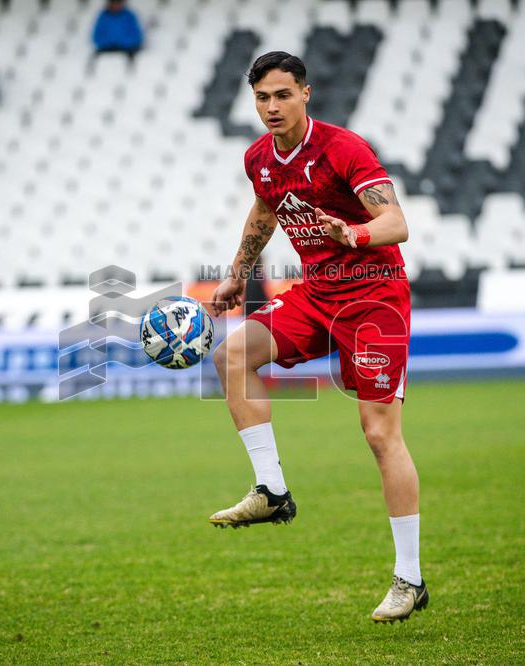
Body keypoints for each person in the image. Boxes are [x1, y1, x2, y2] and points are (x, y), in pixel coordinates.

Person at [205, 52, 424, 624]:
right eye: (262, 98)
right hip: (317, 295)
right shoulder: (259, 158)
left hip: (374, 298)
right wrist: (237, 273)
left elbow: (397, 224)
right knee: (232, 355)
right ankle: (272, 491)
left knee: (380, 435)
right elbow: (265, 211)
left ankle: (409, 579)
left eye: (283, 94)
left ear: (306, 93)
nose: (272, 107)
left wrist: (354, 233)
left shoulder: (343, 149)